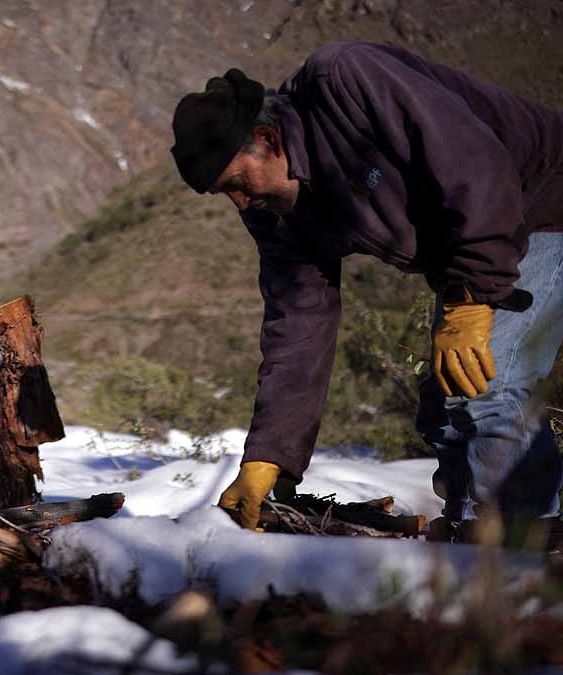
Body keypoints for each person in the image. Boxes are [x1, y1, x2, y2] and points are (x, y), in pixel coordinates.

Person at [170, 42, 563, 542]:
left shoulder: (346, 83)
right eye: (224, 194)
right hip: (475, 246)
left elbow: (477, 169)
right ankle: (472, 532)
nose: (240, 202)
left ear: (267, 139)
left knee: (487, 380)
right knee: (444, 397)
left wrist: (471, 299)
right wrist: (269, 459)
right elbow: (298, 327)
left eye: (237, 183)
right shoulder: (274, 212)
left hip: (537, 202)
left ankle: (529, 540)